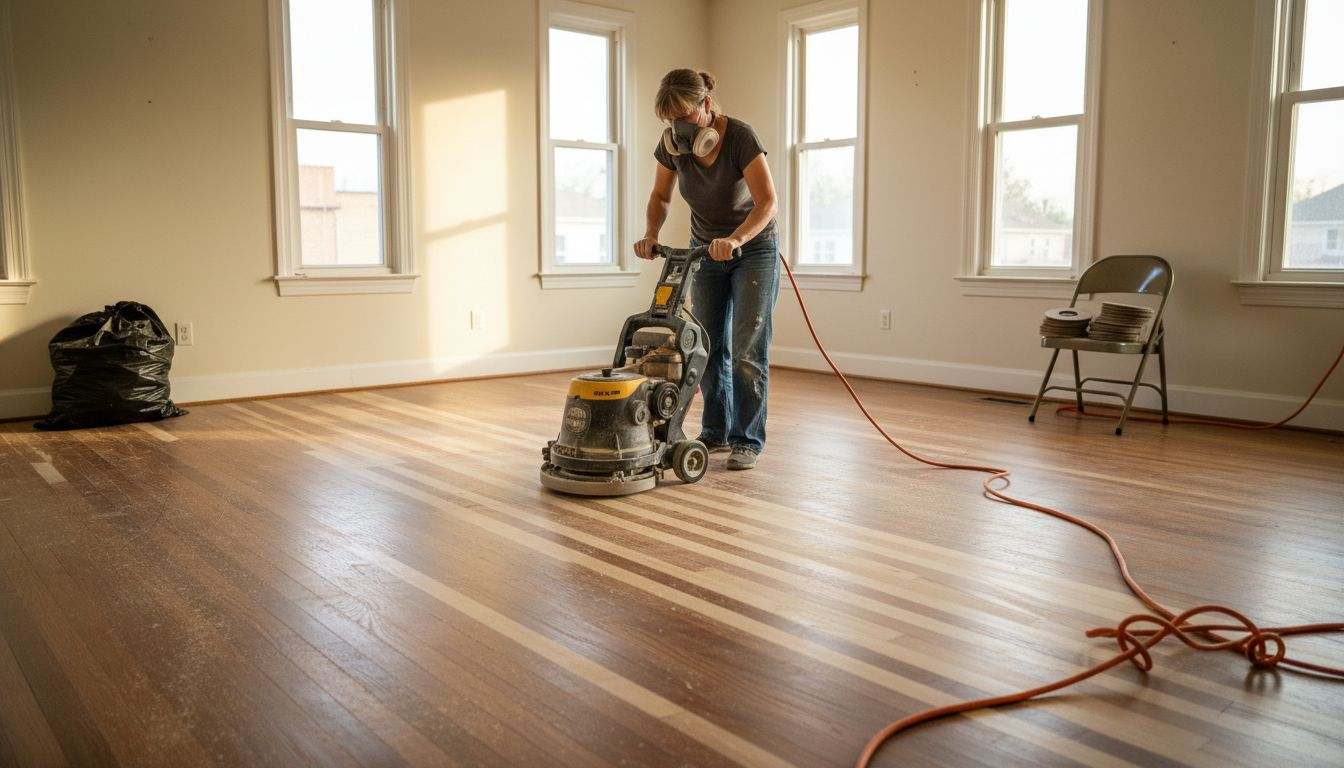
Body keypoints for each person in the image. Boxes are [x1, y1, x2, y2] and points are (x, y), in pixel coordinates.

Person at [634, 69, 779, 471]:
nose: (679, 128)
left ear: (707, 106)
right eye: (671, 120)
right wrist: (650, 232)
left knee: (748, 347)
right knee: (708, 345)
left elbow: (767, 203)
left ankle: (747, 439)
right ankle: (715, 431)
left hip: (753, 248)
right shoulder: (673, 148)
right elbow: (660, 196)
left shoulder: (741, 137)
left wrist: (735, 240)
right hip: (705, 250)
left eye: (686, 116)